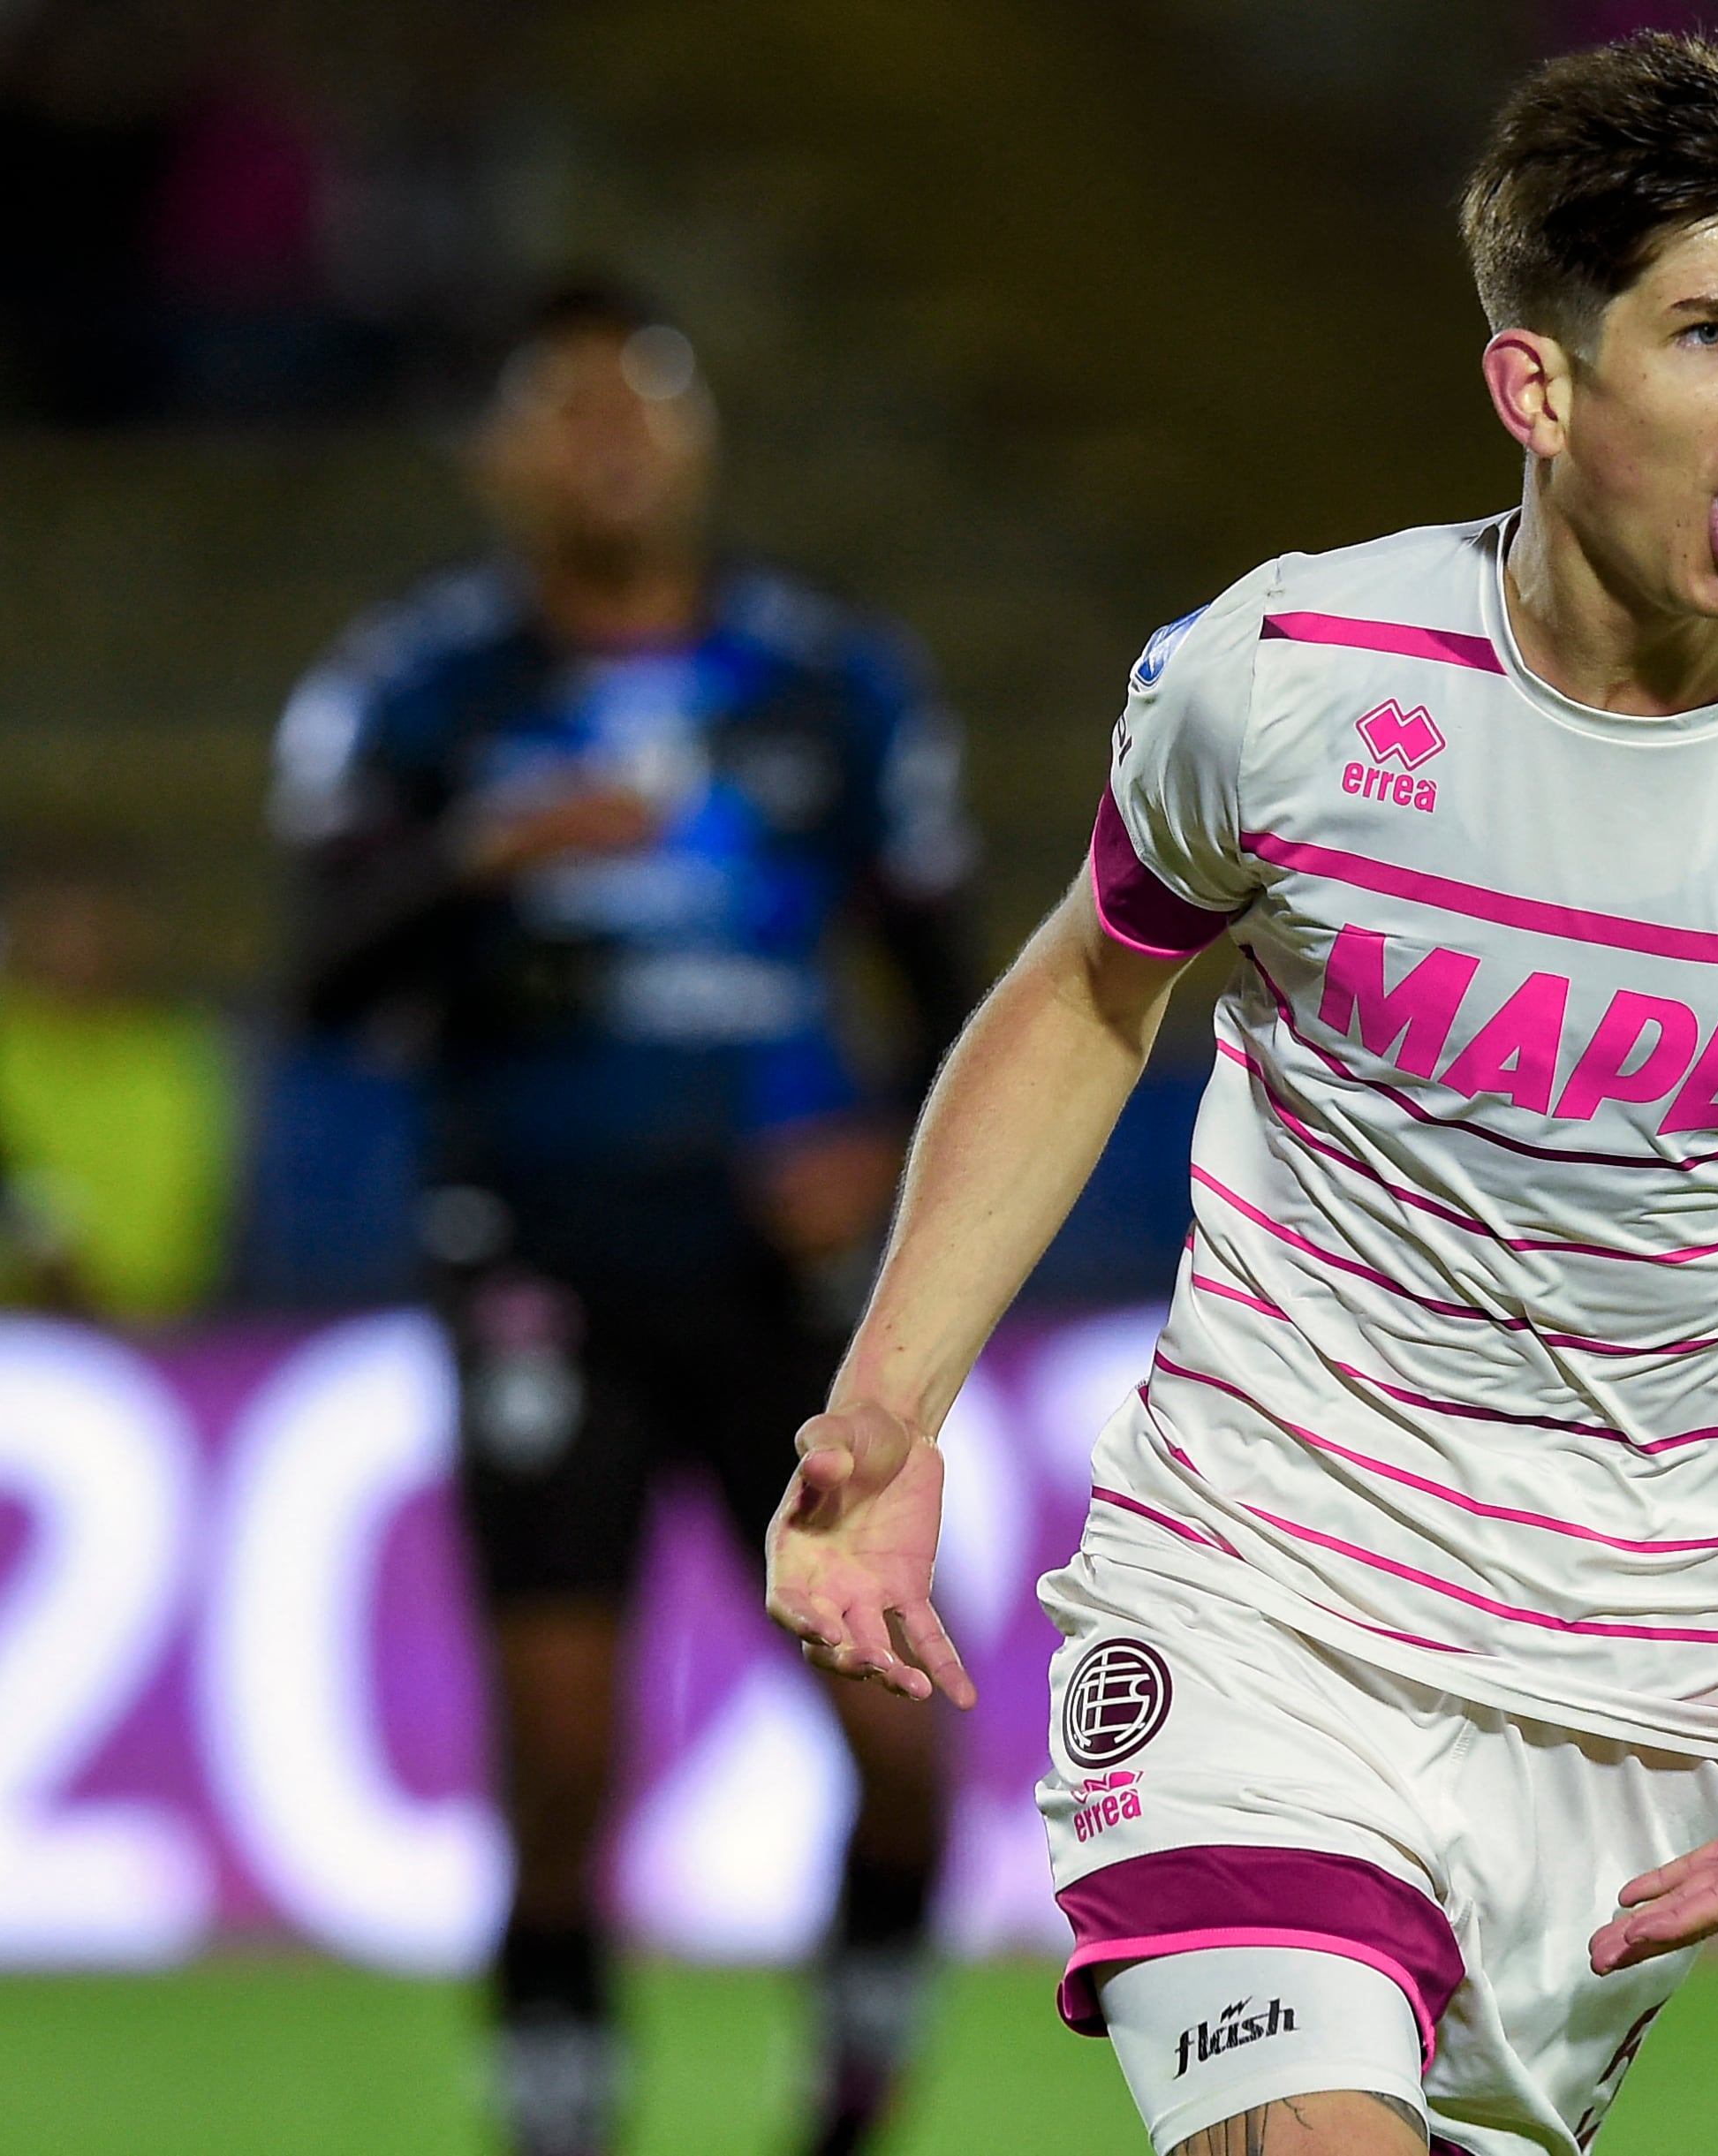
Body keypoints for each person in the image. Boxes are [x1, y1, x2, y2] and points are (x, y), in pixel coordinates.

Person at [765, 34, 1718, 2156]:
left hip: (1652, 1695)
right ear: (1538, 387)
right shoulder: (1289, 678)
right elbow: (1083, 997)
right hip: (1258, 1592)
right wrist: (892, 1406)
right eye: (1708, 331)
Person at [269, 281, 980, 2156]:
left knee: (903, 1746)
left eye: (639, 397)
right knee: (564, 1759)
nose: (604, 434)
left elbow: (970, 1000)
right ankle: (560, 2123)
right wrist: (477, 854)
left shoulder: (833, 685)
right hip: (539, 1260)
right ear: (499, 454)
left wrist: (889, 1141)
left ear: (698, 434)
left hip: (786, 1275)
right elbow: (323, 983)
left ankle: (842, 2111)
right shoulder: (417, 695)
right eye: (559, 403)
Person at [0, 842, 238, 1320]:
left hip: (142, 1344)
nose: (74, 945)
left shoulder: (177, 1055)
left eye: (93, 923)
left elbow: (178, 1245)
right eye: (54, 923)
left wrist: (92, 1299)